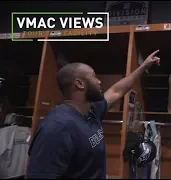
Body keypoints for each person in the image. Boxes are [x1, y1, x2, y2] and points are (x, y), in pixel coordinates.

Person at [26, 50, 160, 179]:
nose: (99, 81)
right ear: (79, 84)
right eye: (94, 76)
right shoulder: (57, 127)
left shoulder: (92, 111)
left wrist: (143, 67)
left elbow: (116, 91)